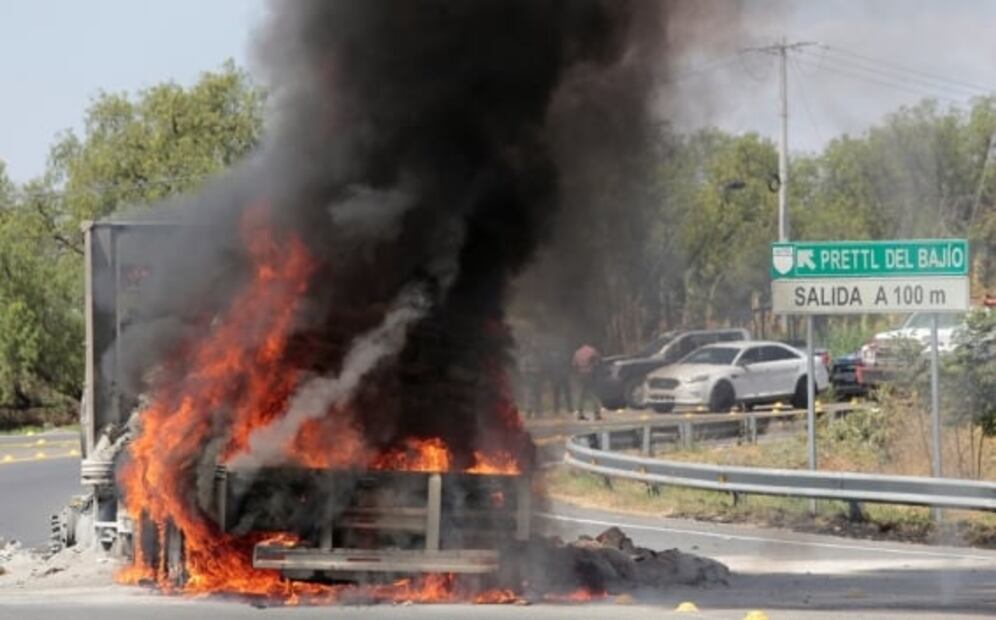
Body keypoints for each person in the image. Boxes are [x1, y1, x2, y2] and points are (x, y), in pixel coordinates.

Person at [542, 336, 573, 415]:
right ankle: (569, 408)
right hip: (563, 377)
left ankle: (557, 409)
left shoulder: (550, 357)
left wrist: (549, 378)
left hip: (556, 377)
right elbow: (568, 365)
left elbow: (548, 368)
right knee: (566, 393)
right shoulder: (563, 355)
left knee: (557, 394)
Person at [572, 342, 601, 420]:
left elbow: (574, 365)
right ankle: (597, 414)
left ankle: (580, 414)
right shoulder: (592, 350)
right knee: (593, 393)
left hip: (581, 374)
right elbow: (597, 361)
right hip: (590, 374)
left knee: (582, 395)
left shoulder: (577, 352)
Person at [518, 343, 543, 419]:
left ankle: (537, 411)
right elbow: (523, 370)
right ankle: (529, 411)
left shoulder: (538, 358)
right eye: (534, 350)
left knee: (536, 395)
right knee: (529, 396)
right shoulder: (526, 359)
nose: (535, 352)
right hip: (529, 380)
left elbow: (541, 369)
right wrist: (532, 371)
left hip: (536, 379)